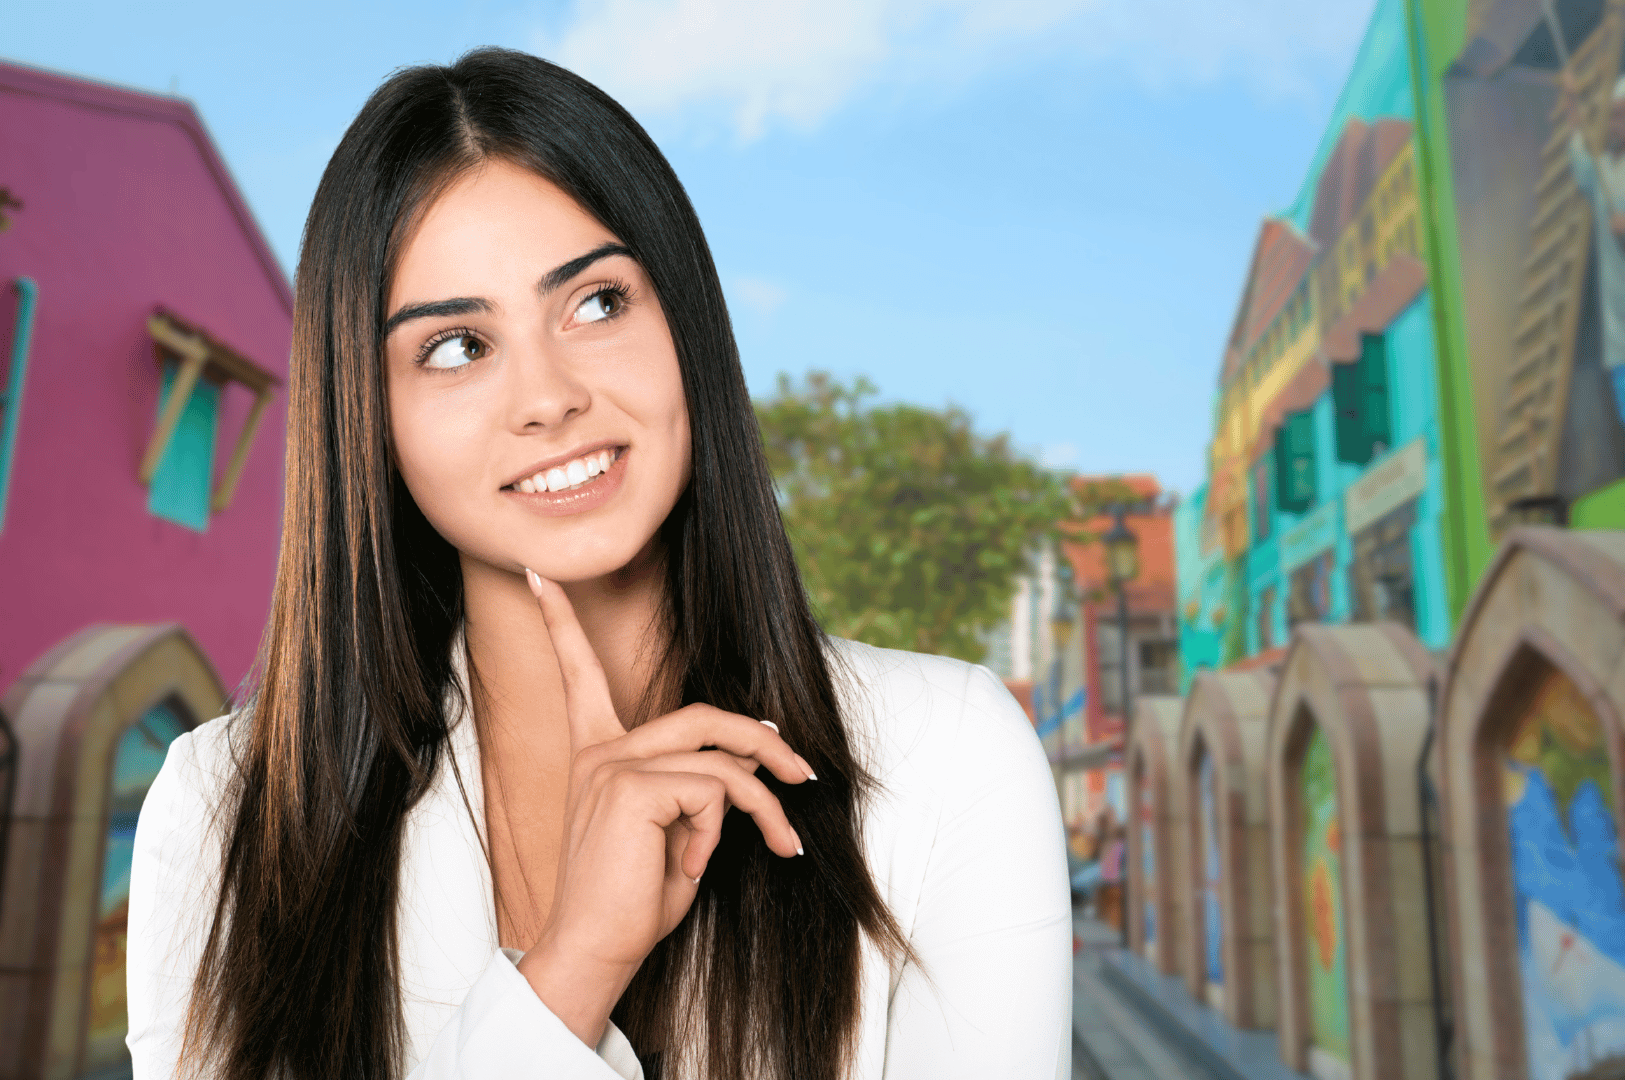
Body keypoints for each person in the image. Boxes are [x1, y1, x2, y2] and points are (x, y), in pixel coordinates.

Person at [124, 48, 1070, 1080]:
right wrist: (569, 973)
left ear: (685, 324)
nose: (547, 395)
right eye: (453, 347)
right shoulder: (226, 808)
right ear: (369, 418)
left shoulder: (946, 757)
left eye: (597, 303)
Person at [1561, 69, 1625, 427]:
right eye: (1612, 115)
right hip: (1620, 345)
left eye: (1620, 115)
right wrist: (1572, 100)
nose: (1614, 124)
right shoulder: (1603, 172)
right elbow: (1580, 152)